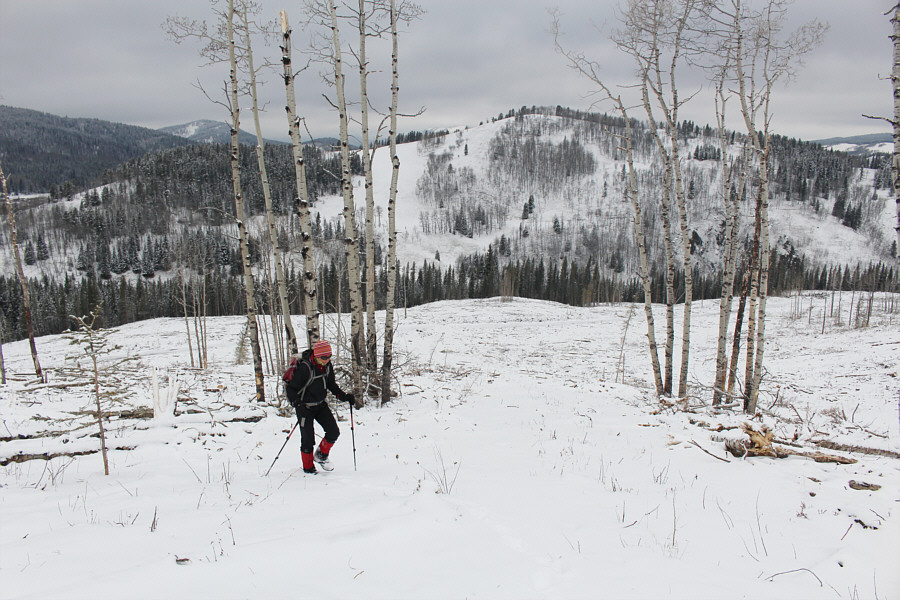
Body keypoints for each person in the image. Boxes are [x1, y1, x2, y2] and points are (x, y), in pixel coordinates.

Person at [284, 340, 355, 474]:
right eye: (324, 357)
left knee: (333, 432)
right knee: (308, 440)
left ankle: (321, 455)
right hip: (304, 407)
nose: (327, 360)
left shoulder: (327, 366)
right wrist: (296, 402)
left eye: (329, 357)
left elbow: (331, 384)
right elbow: (291, 389)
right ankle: (308, 469)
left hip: (320, 404)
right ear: (317, 356)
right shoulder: (305, 368)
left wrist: (344, 396)